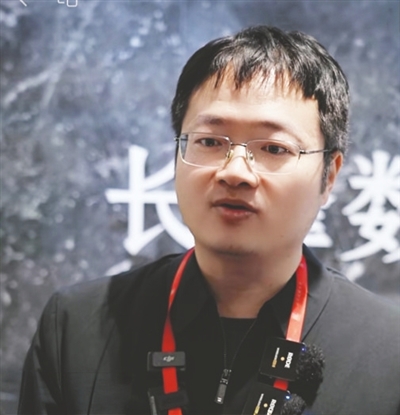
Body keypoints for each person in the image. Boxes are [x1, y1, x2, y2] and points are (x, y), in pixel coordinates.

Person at [18, 26, 400, 415]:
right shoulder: (75, 329)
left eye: (273, 148)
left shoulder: (388, 352)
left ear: (329, 175)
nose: (235, 172)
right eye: (210, 142)